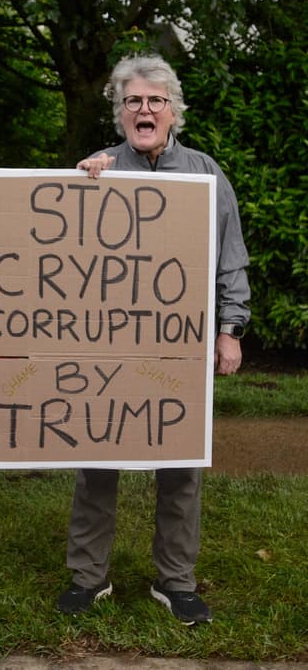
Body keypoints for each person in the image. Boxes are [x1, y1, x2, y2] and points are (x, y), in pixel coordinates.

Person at [58, 54, 251, 625]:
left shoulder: (206, 173)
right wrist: (78, 186)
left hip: (179, 345)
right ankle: (88, 578)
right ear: (120, 113)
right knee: (97, 459)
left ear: (173, 111)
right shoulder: (94, 170)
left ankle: (176, 582)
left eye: (155, 101)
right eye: (133, 101)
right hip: (106, 349)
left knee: (181, 464)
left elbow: (231, 262)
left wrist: (229, 329)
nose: (145, 110)